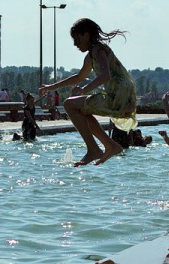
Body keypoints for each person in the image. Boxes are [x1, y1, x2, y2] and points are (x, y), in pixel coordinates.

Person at [39, 18, 137, 166]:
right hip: (122, 99)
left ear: (86, 35)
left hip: (118, 98)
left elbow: (105, 75)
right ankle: (110, 146)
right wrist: (51, 87)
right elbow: (79, 77)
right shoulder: (91, 55)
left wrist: (84, 90)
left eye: (77, 38)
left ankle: (94, 149)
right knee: (81, 110)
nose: (75, 44)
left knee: (69, 105)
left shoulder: (98, 49)